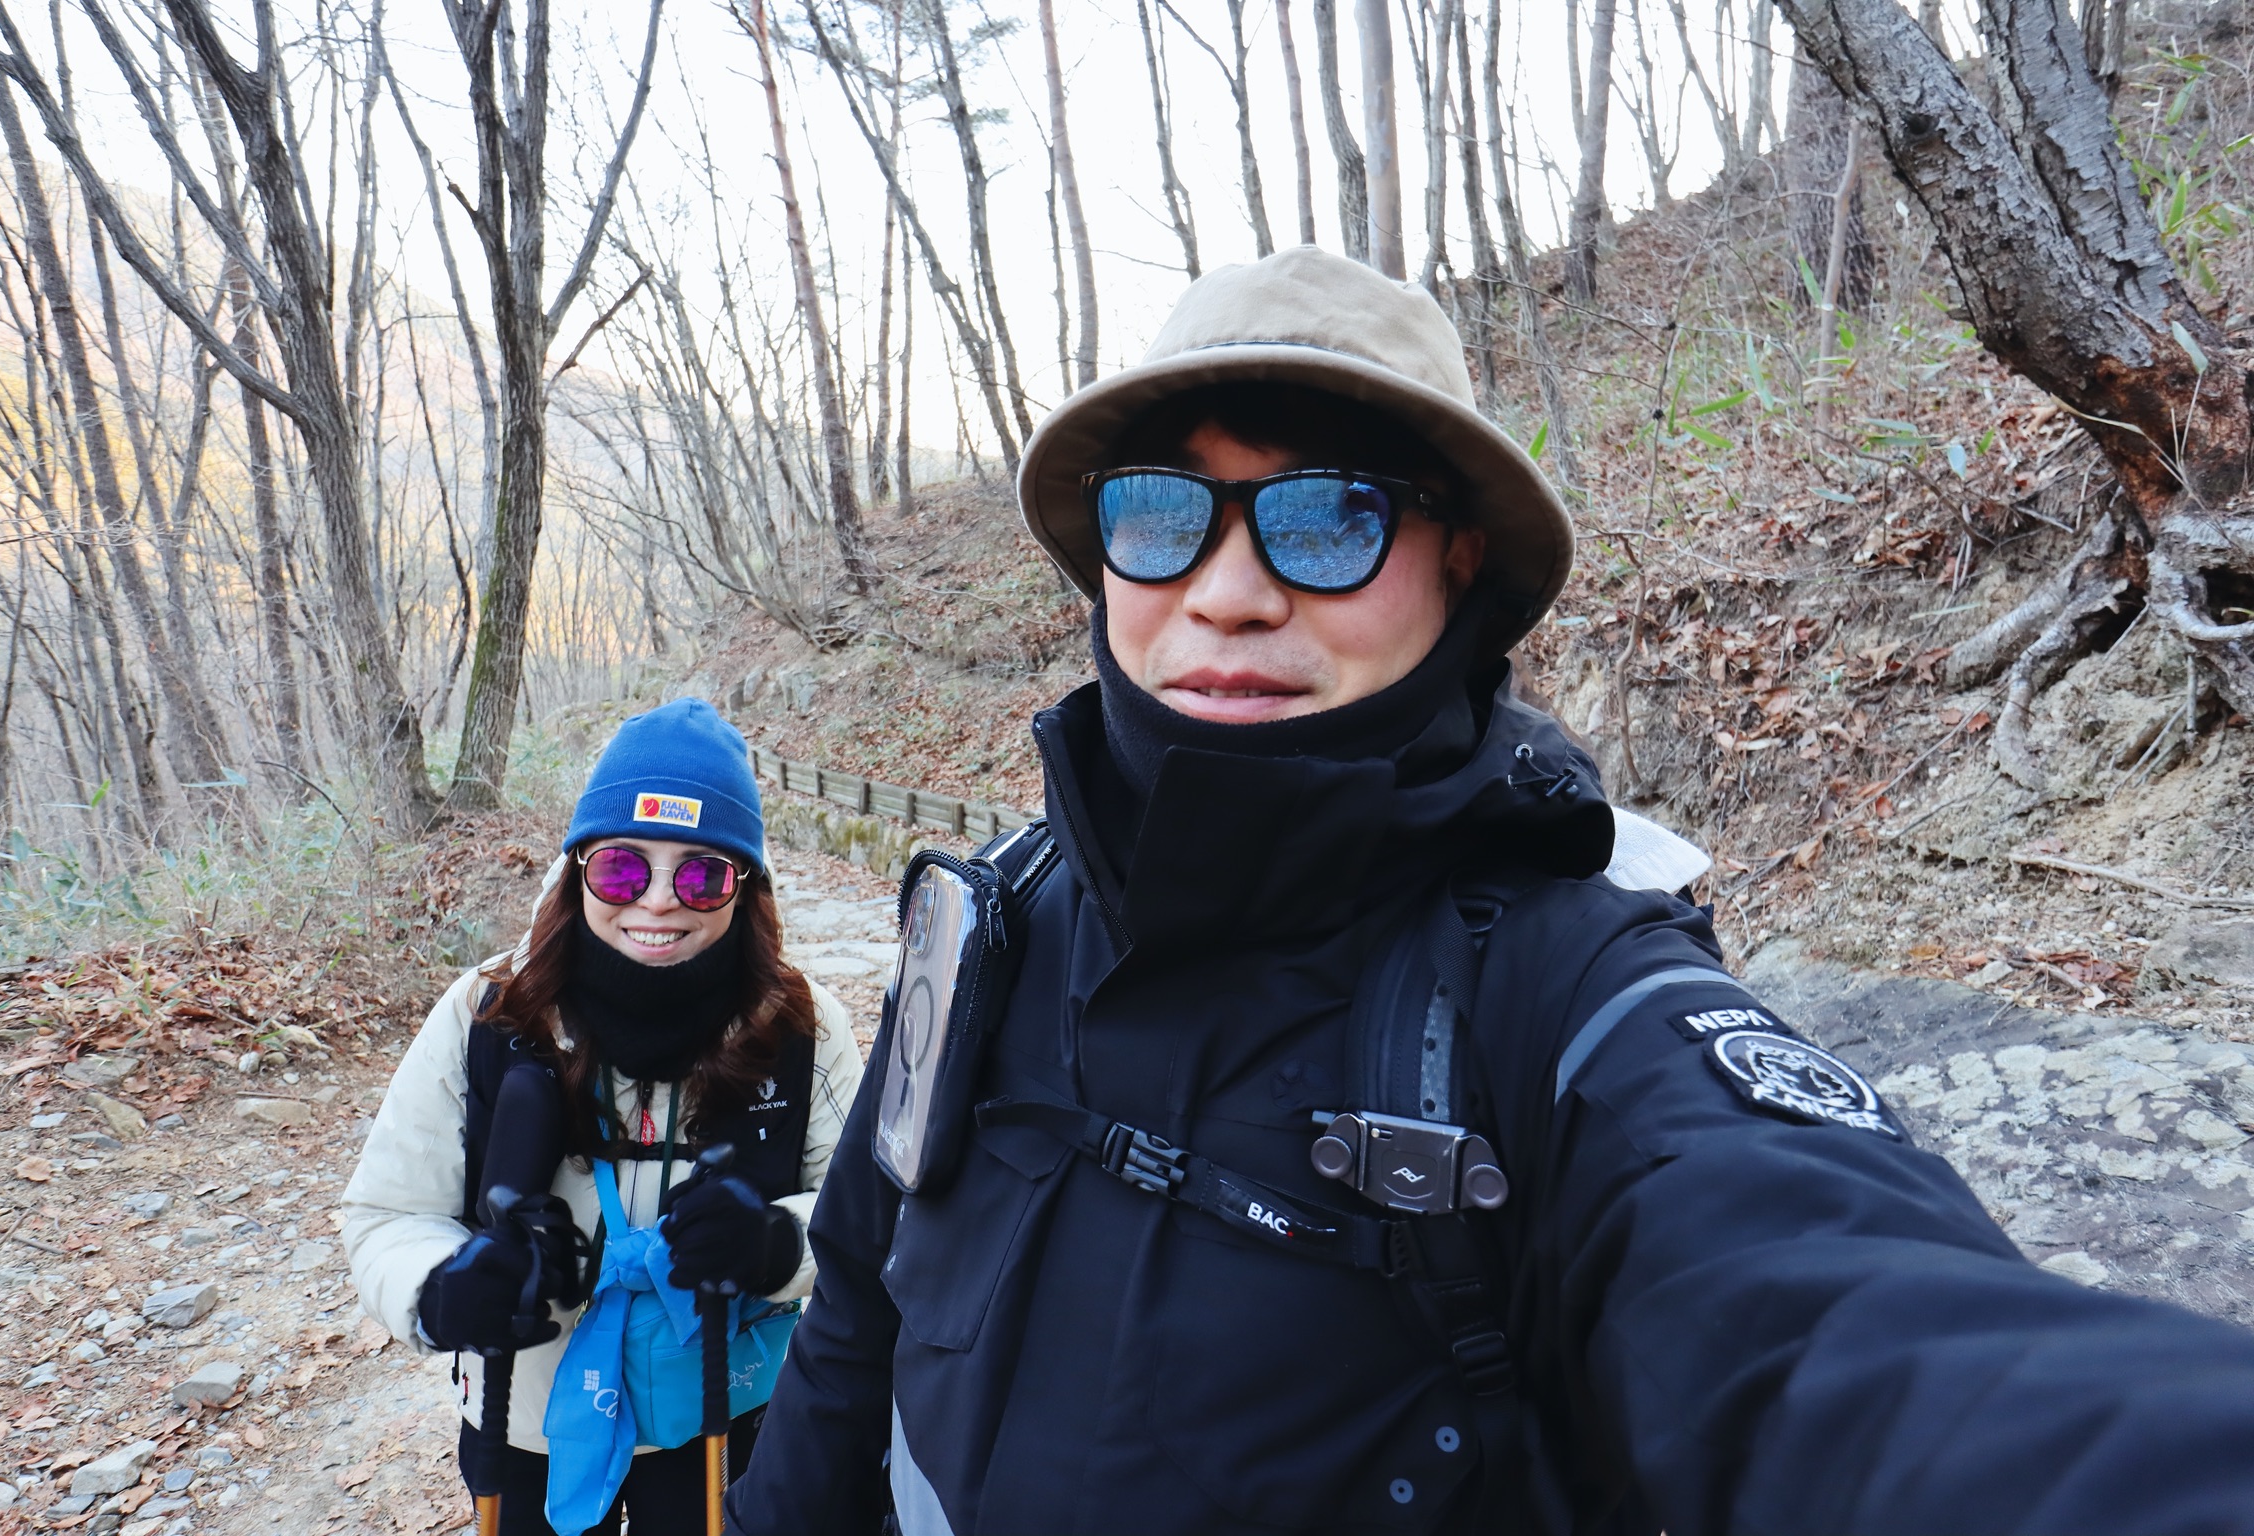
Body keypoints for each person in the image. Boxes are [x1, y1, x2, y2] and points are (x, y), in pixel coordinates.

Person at [729, 247, 2254, 1535]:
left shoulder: (1566, 1002)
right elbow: (857, 1309)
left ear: (1460, 558)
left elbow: (1843, 1331)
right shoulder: (991, 923)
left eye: (1330, 517)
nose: (1227, 591)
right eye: (1159, 512)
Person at [344, 698, 864, 1535]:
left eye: (701, 874)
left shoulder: (800, 1027)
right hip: (526, 1416)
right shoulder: (490, 1016)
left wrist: (777, 1244)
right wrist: (442, 1288)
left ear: (745, 887)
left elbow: (874, 1217)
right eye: (622, 868)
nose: (657, 902)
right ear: (577, 867)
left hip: (723, 1409)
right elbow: (387, 1212)